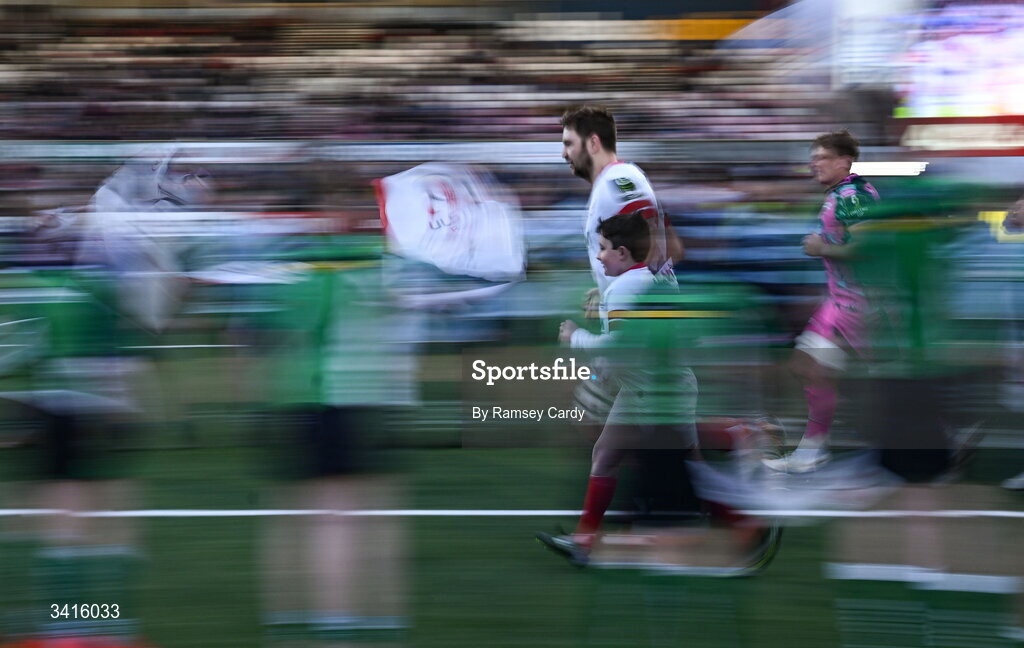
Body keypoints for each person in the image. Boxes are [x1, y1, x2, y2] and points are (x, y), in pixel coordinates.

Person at [536, 212, 700, 565]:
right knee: (605, 455)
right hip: (649, 387)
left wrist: (575, 336)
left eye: (604, 248)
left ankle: (742, 524)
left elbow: (620, 344)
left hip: (660, 392)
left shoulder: (626, 287)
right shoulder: (653, 275)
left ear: (623, 253)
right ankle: (584, 542)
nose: (598, 256)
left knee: (689, 468)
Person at [764, 130, 880, 473]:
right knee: (806, 366)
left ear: (844, 162)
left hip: (862, 304)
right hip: (838, 301)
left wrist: (821, 248)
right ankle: (814, 449)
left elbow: (868, 251)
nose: (814, 163)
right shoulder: (839, 194)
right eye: (813, 157)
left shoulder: (854, 196)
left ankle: (931, 439)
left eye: (822, 157)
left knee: (877, 379)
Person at [558, 105, 683, 297]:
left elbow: (648, 237)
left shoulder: (614, 181)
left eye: (569, 144)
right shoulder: (625, 176)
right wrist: (606, 289)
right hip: (649, 311)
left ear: (593, 143)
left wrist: (621, 295)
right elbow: (673, 247)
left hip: (642, 319)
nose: (564, 154)